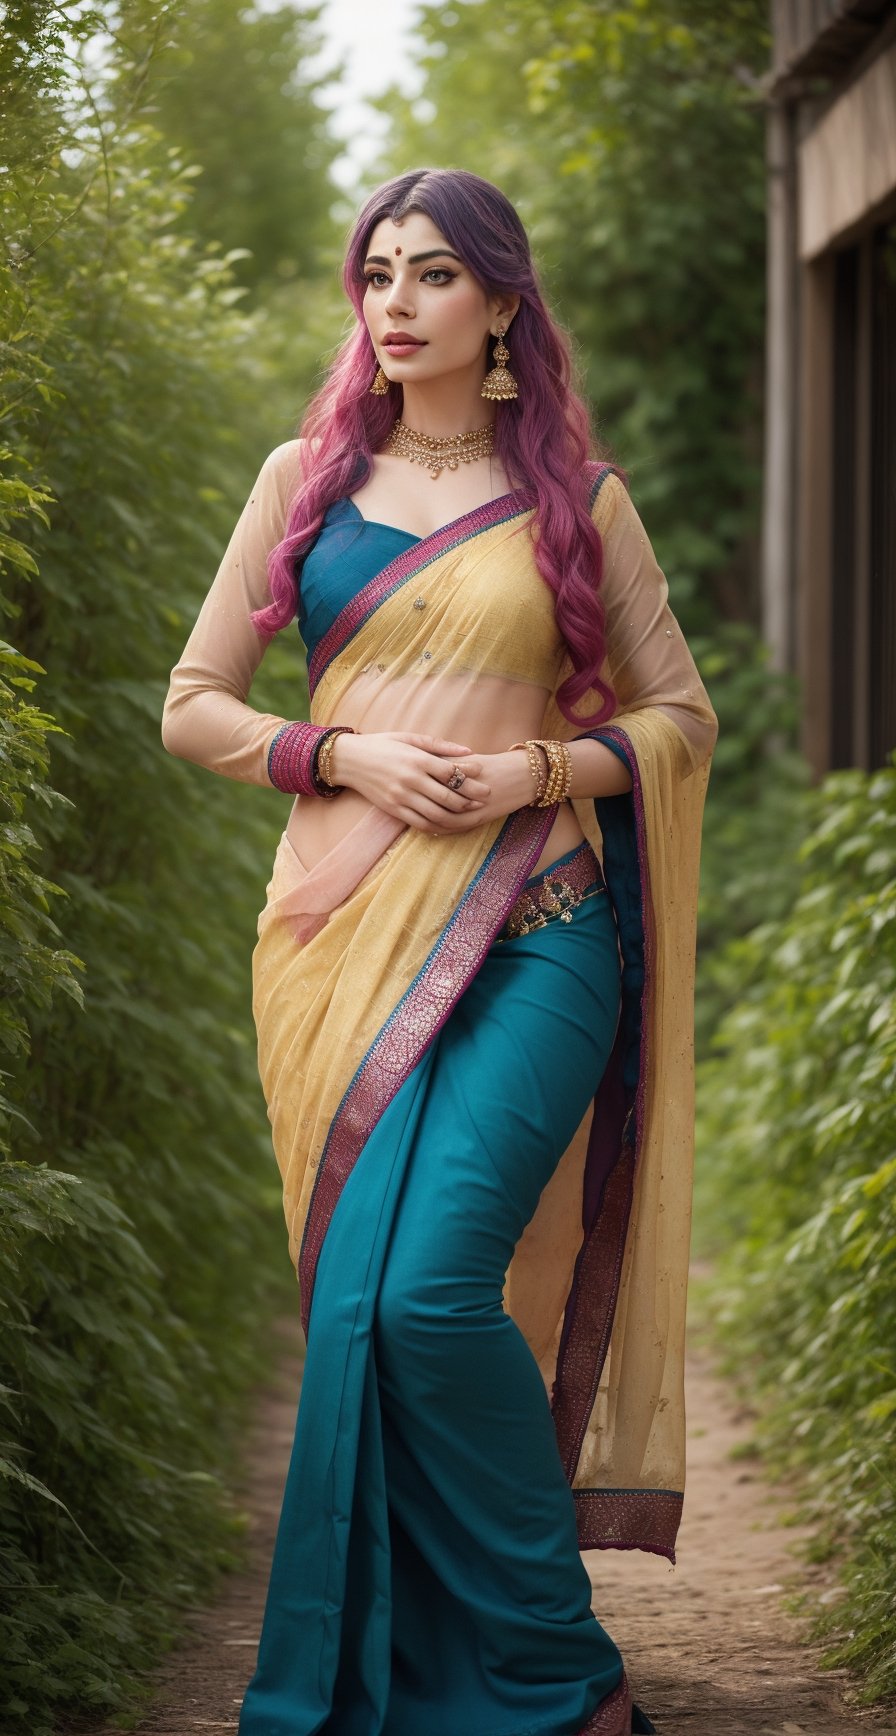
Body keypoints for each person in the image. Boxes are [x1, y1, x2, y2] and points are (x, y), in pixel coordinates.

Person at [162, 166, 717, 1736]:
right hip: (338, 945)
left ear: (501, 305)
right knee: (361, 1309)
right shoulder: (306, 482)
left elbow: (680, 719)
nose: (391, 304)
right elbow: (194, 700)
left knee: (425, 1297)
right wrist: (333, 752)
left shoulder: (576, 504)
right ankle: (432, 1667)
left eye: (428, 276)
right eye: (375, 274)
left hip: (542, 930)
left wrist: (542, 771)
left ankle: (557, 1672)